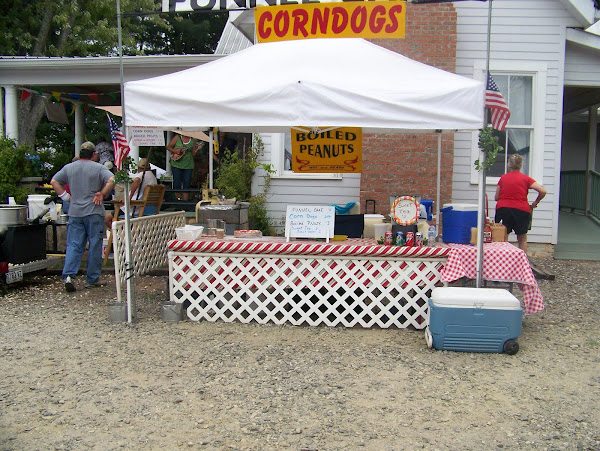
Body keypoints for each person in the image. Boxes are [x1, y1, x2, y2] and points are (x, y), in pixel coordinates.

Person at [51, 141, 115, 292]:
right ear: (94, 155)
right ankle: (92, 279)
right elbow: (112, 179)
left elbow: (54, 181)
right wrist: (102, 192)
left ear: (80, 154)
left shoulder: (69, 168)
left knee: (74, 245)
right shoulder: (99, 168)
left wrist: (66, 197)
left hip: (75, 211)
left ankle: (69, 276)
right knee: (94, 244)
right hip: (94, 211)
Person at [495, 154, 547, 253]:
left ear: (509, 165)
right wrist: (536, 202)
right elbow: (543, 191)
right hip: (521, 210)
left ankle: (503, 259)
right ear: (521, 165)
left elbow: (497, 197)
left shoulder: (503, 178)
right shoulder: (526, 179)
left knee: (502, 236)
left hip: (504, 209)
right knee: (522, 238)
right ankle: (523, 262)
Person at [104, 158, 158, 227]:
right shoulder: (153, 177)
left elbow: (137, 180)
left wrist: (129, 198)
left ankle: (118, 236)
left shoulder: (141, 175)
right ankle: (122, 234)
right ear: (149, 167)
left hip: (134, 208)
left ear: (138, 168)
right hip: (148, 209)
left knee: (106, 218)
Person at [166, 133, 200, 201]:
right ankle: (178, 201)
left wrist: (197, 149)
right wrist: (175, 151)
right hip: (177, 164)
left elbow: (193, 154)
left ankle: (185, 202)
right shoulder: (177, 137)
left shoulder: (192, 140)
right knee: (177, 183)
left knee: (187, 183)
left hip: (188, 165)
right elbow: (168, 147)